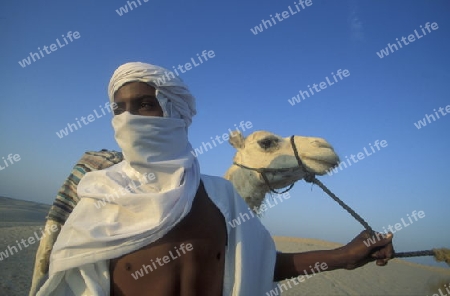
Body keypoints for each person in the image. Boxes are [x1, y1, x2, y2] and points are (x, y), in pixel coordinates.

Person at [34, 62, 394, 296]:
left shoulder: (221, 198)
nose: (128, 119)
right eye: (119, 109)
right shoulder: (102, 196)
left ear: (174, 110)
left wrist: (345, 255)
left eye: (144, 104)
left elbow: (262, 265)